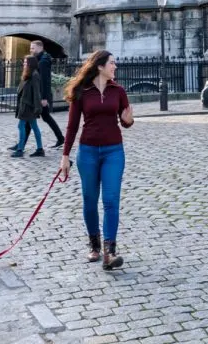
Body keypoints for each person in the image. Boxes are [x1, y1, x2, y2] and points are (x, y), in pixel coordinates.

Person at [59, 50, 134, 271]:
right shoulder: (82, 91)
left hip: (114, 151)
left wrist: (129, 121)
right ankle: (94, 244)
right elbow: (72, 126)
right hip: (88, 151)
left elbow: (126, 119)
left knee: (111, 199)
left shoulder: (118, 91)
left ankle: (109, 251)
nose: (115, 67)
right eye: (112, 63)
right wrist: (65, 156)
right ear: (100, 66)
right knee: (90, 200)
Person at [11, 55, 44, 158]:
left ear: (30, 64)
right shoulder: (28, 74)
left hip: (28, 106)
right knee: (34, 127)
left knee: (21, 126)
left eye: (26, 62)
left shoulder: (34, 75)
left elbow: (36, 92)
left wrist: (37, 107)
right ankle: (40, 149)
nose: (24, 64)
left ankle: (20, 149)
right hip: (26, 105)